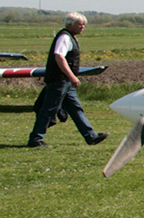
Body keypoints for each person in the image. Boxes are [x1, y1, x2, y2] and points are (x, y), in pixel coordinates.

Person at [27, 13, 108, 149]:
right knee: (48, 109)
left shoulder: (71, 37)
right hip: (60, 80)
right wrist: (72, 76)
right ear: (70, 24)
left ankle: (91, 136)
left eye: (84, 24)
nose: (83, 27)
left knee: (76, 109)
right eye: (80, 24)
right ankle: (36, 138)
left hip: (65, 81)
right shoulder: (65, 37)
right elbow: (59, 57)